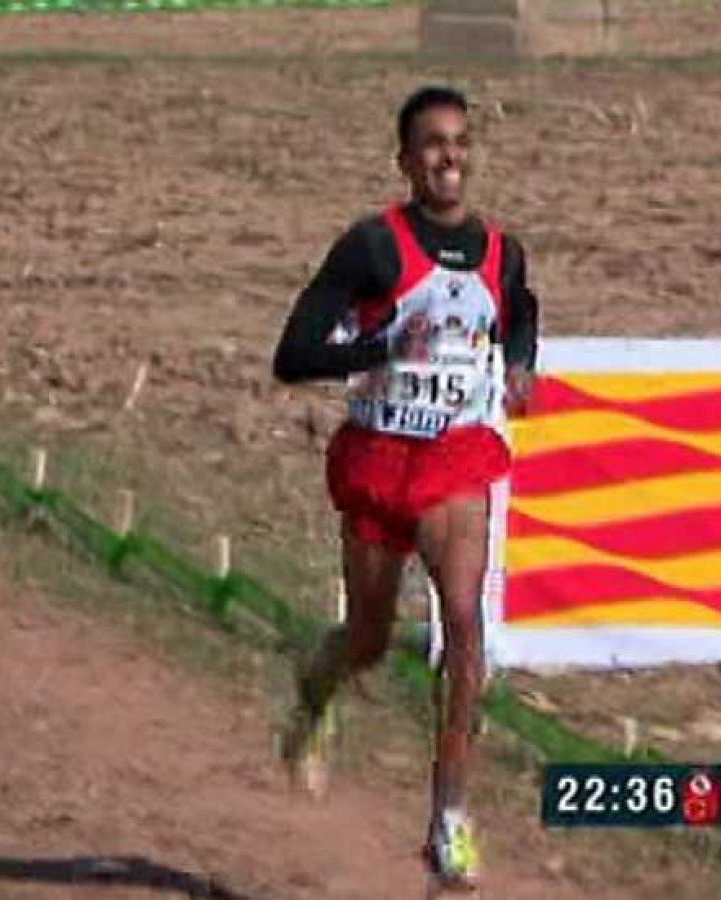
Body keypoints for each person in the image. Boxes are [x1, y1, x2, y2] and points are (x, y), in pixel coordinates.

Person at [270, 85, 539, 893]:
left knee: (463, 624)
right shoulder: (371, 248)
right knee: (370, 641)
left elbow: (520, 311)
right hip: (381, 460)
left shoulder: (501, 250)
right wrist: (380, 344)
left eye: (458, 142)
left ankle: (449, 816)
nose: (447, 157)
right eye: (431, 144)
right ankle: (317, 693)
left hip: (458, 460)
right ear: (405, 159)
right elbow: (294, 353)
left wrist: (520, 363)